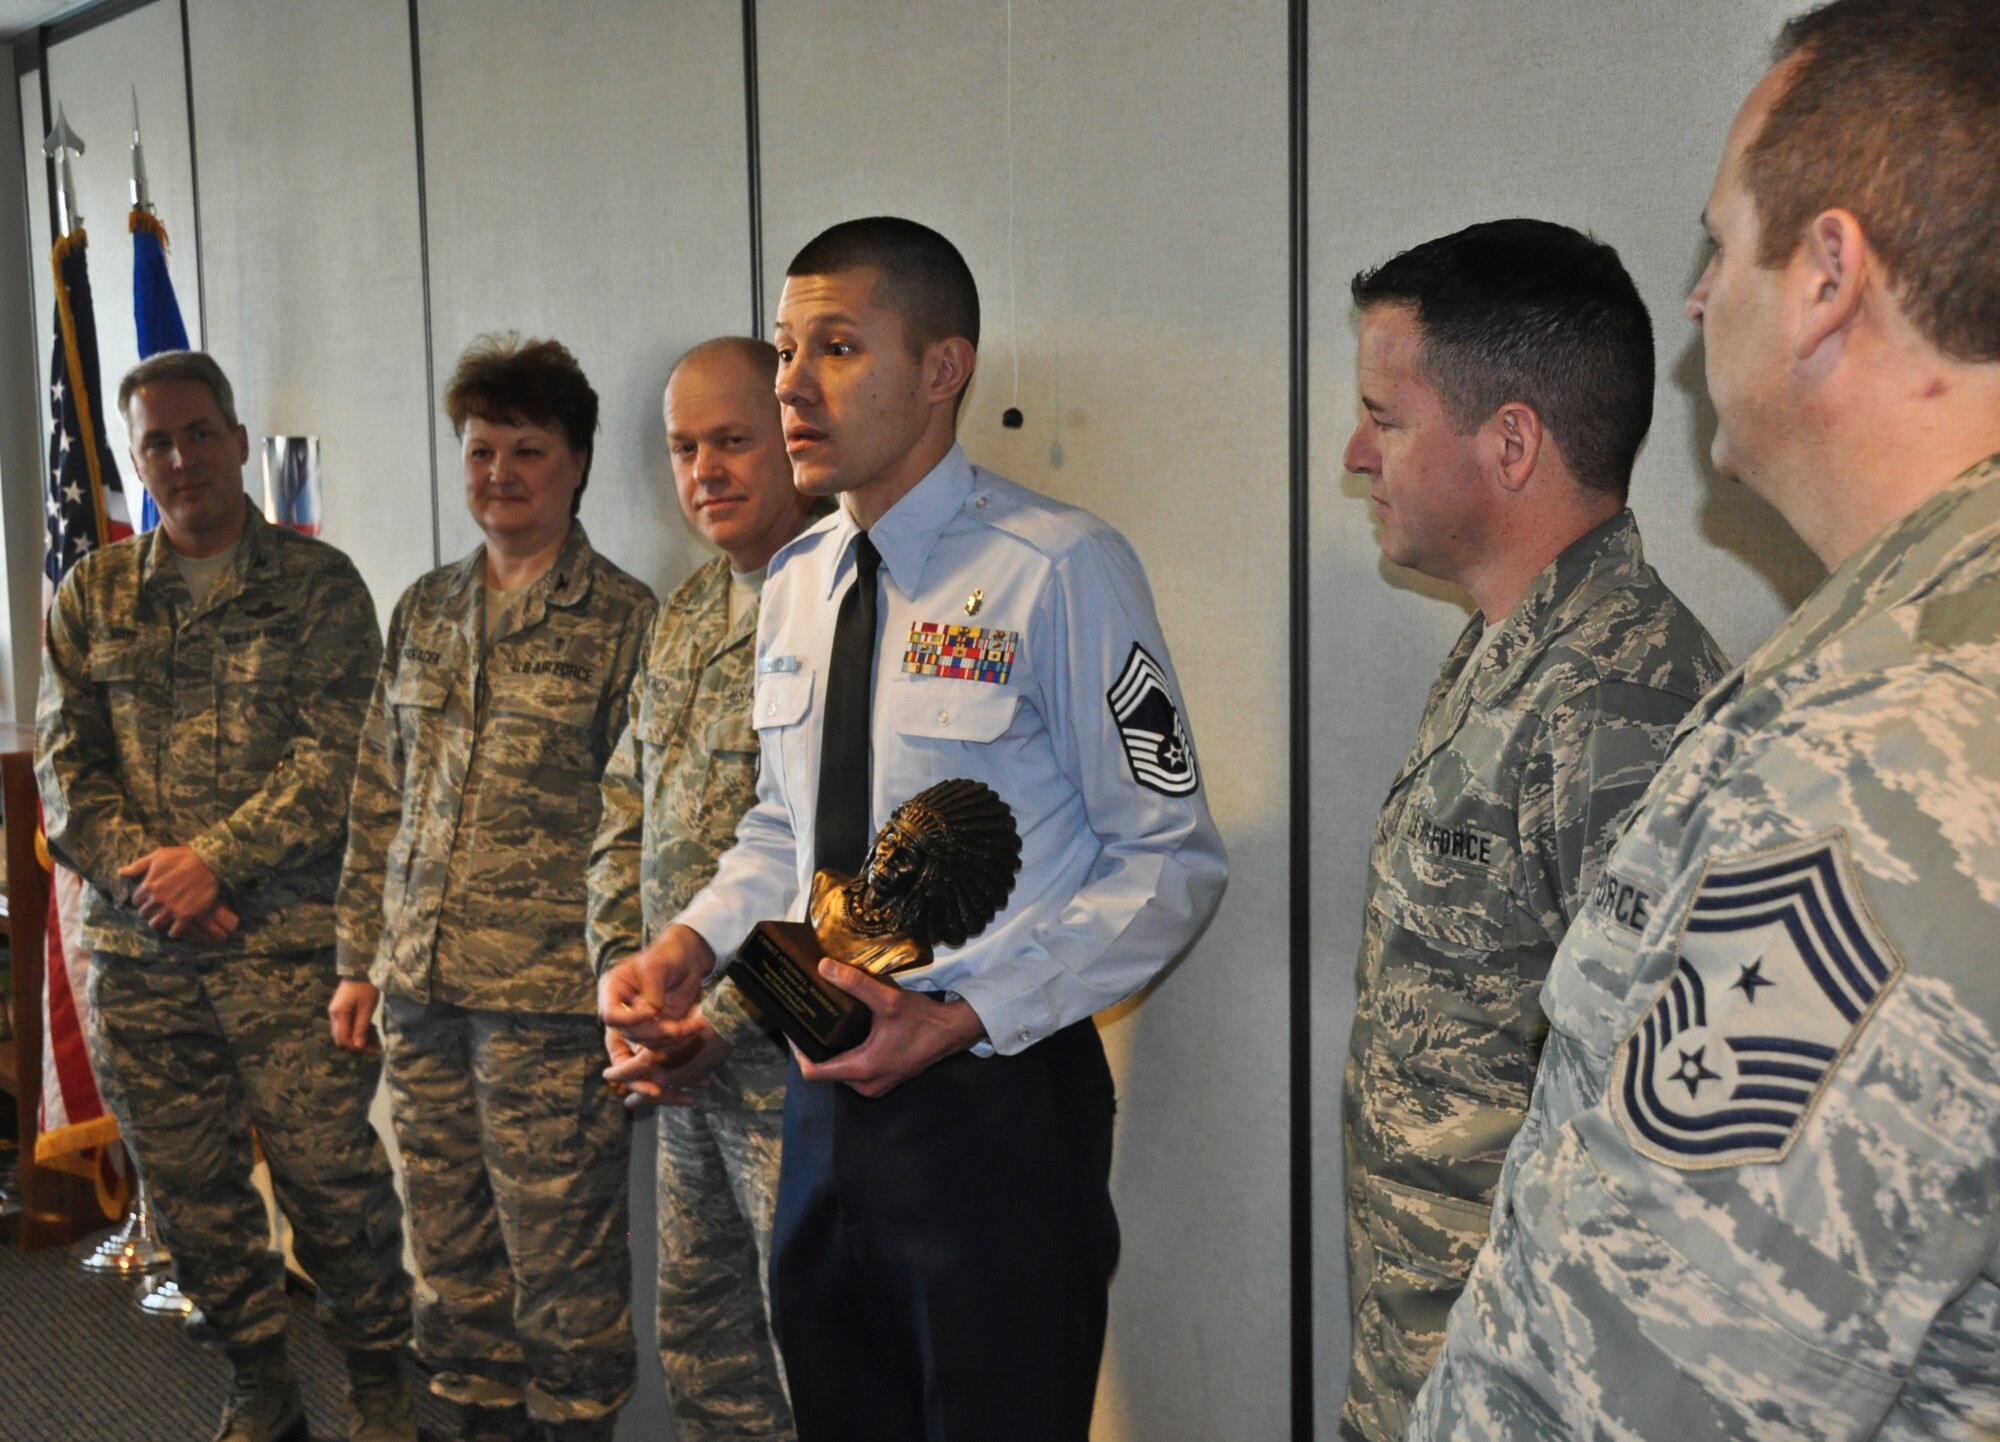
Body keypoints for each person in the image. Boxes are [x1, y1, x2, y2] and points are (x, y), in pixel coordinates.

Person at [1411, 2, 2000, 1436]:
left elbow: (1656, 1388)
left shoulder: (1891, 756)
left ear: (1826, 279)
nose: (1694, 299)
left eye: (1722, 243)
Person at [600, 216, 1227, 1442]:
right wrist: (694, 941)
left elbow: (1170, 857)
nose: (790, 381)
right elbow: (785, 823)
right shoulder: (798, 577)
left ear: (943, 368)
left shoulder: (1059, 568)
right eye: (786, 348)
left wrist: (962, 1014)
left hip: (992, 1098)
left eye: (835, 346)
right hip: (821, 1081)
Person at [1337, 220, 1727, 1442]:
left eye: (1384, 418)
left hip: (1531, 1389)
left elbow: (1655, 1145)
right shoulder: (1514, 648)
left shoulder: (1623, 702)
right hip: (1428, 1357)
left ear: (1509, 440)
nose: (1356, 455)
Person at [36, 350, 413, 1442]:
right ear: (135, 457)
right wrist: (159, 882)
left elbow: (338, 752)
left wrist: (215, 860)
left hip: (285, 947)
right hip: (140, 958)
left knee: (332, 1182)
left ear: (240, 439)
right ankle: (258, 1380)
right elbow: (68, 772)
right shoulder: (92, 593)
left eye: (200, 432)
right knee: (192, 1193)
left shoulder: (318, 585)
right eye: (156, 440)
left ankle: (383, 1382)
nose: (181, 458)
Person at [333, 336, 654, 1442]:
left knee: (560, 1264)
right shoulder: (424, 607)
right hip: (421, 990)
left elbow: (643, 828)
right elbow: (381, 788)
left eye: (527, 449)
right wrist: (355, 958)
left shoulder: (624, 620)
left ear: (575, 463)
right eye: (480, 450)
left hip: (550, 1007)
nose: (499, 472)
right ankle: (462, 1420)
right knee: (451, 1252)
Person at [586, 336, 818, 1441]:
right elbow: (621, 811)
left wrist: (717, 1019)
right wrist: (624, 982)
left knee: (819, 1358)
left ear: (794, 438)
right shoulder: (682, 613)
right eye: (683, 447)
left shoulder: (851, 607)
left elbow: (854, 871)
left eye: (732, 439)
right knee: (705, 1347)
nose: (704, 470)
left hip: (801, 1067)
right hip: (685, 1063)